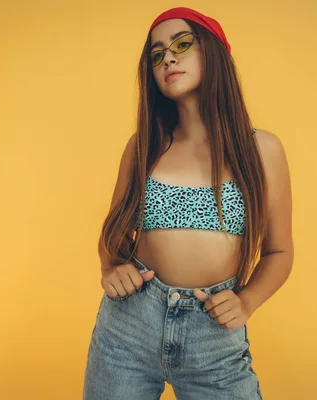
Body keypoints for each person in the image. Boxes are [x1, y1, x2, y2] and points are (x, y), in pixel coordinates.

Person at [83, 6, 293, 400]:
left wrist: (246, 301)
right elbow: (111, 237)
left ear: (214, 53)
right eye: (157, 54)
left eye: (181, 44)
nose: (169, 58)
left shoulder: (261, 150)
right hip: (128, 327)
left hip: (212, 337)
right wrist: (111, 266)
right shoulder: (145, 146)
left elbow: (279, 251)